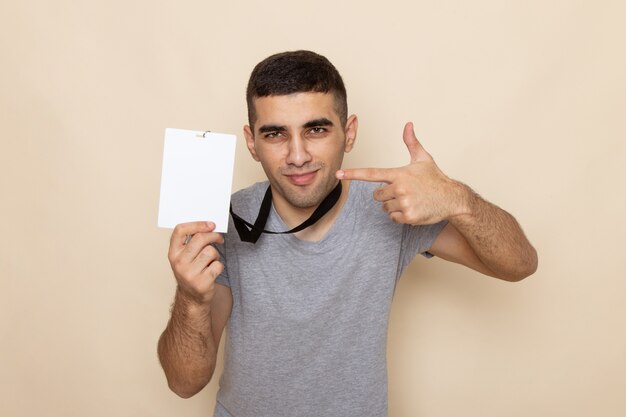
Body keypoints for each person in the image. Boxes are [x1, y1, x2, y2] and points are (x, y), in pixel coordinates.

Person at [157, 50, 538, 417]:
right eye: (275, 134)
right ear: (252, 142)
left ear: (349, 132)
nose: (297, 155)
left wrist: (459, 198)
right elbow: (184, 383)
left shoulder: (391, 207)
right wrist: (191, 298)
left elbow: (519, 264)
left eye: (316, 129)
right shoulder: (220, 221)